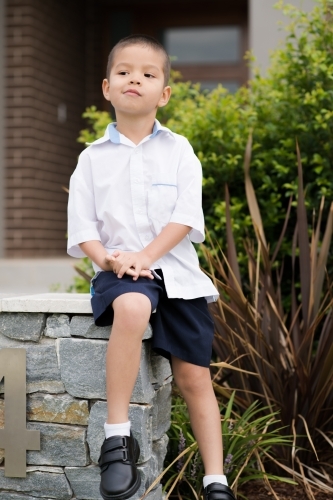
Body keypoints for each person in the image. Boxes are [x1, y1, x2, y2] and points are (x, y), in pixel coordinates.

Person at [67, 34, 236, 500]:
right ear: (107, 87)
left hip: (177, 273)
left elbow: (185, 218)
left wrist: (149, 256)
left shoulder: (180, 151)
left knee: (194, 376)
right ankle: (116, 440)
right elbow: (84, 229)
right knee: (134, 309)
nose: (134, 79)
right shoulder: (91, 159)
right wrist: (110, 260)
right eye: (124, 72)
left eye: (147, 73)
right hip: (119, 274)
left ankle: (215, 480)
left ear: (164, 93)